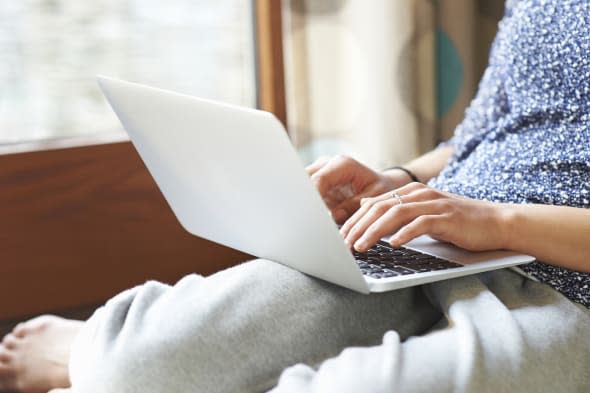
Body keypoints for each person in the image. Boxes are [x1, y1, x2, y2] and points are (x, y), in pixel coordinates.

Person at [1, 0, 590, 392]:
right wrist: (398, 181)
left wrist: (501, 222)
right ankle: (93, 358)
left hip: (569, 280)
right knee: (127, 363)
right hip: (439, 232)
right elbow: (486, 129)